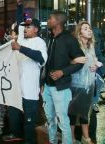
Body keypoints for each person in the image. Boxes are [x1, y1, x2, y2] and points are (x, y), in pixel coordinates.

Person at [41, 11, 84, 144]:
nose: (48, 20)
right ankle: (52, 141)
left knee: (63, 121)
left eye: (50, 18)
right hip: (47, 87)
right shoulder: (50, 38)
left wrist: (62, 72)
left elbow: (80, 61)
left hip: (61, 88)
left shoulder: (69, 39)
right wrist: (42, 82)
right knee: (50, 119)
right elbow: (47, 64)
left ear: (58, 21)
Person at [10, 18, 48, 144]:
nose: (25, 29)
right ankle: (17, 135)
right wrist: (20, 5)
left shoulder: (40, 42)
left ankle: (30, 141)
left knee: (29, 120)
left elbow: (41, 58)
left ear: (36, 29)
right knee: (15, 117)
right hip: (17, 89)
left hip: (30, 90)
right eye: (25, 27)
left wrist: (20, 48)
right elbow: (20, 24)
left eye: (29, 27)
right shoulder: (21, 39)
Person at [68, 21, 100, 144]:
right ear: (79, 33)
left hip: (89, 86)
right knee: (72, 112)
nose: (89, 30)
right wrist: (75, 61)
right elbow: (67, 63)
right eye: (85, 28)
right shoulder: (75, 46)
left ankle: (85, 137)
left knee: (85, 112)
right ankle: (71, 137)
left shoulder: (91, 46)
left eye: (89, 28)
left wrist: (96, 65)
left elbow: (94, 61)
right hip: (76, 85)